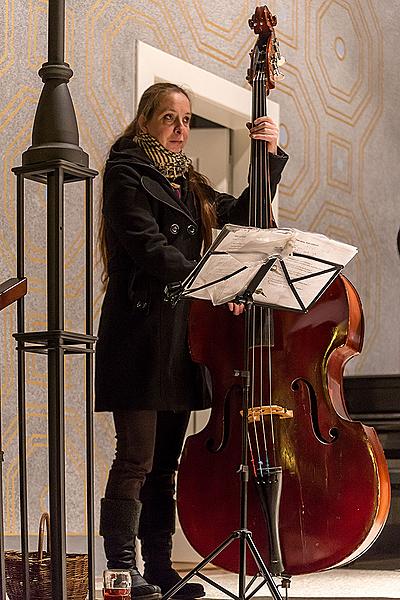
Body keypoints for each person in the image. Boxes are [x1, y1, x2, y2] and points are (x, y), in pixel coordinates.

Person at [95, 82, 288, 600]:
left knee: (166, 463)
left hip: (184, 336)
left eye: (186, 120)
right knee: (134, 455)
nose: (181, 130)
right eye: (169, 119)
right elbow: (149, 248)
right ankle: (119, 569)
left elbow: (246, 215)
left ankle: (158, 568)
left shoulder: (191, 182)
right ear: (145, 121)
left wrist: (266, 157)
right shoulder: (125, 172)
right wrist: (215, 285)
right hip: (138, 334)